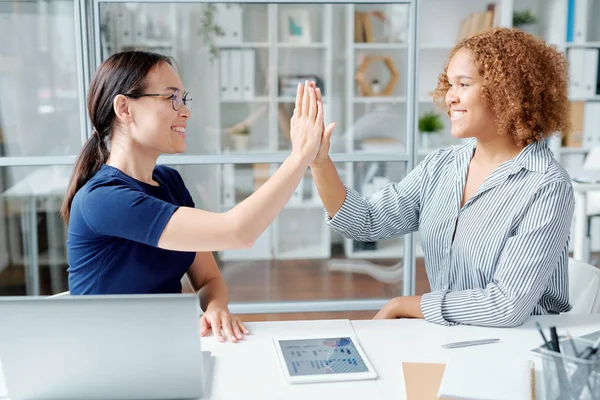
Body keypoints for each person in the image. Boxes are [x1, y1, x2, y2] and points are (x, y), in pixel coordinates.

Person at [61, 51, 335, 342]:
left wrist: (215, 307)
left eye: (183, 99)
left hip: (168, 346)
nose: (186, 112)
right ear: (124, 108)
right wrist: (300, 156)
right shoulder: (102, 199)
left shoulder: (169, 181)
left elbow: (208, 279)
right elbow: (237, 232)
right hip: (108, 361)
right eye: (171, 98)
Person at [310, 28, 574, 327]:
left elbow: (506, 305)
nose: (450, 97)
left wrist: (404, 304)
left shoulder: (547, 186)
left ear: (508, 92)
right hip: (451, 340)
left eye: (464, 84)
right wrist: (319, 162)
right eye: (449, 84)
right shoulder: (441, 166)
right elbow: (366, 220)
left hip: (521, 350)